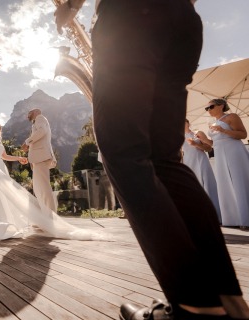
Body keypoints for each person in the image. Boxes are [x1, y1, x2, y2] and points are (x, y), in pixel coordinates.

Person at [55, 1, 249, 319]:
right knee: (165, 161)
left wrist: (71, 7)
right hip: (183, 19)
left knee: (122, 154)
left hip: (130, 17)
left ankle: (195, 306)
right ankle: (230, 302)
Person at [0, 122, 107, 241]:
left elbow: (5, 156)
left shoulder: (0, 142)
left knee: (0, 196)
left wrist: (19, 159)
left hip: (0, 168)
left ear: (0, 129)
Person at [198, 99, 249, 229]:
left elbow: (243, 134)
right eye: (207, 108)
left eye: (211, 107)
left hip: (234, 152)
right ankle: (232, 218)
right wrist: (204, 140)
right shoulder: (212, 123)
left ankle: (245, 219)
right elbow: (215, 144)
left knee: (238, 181)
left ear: (221, 106)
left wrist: (224, 130)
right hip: (220, 155)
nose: (208, 110)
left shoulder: (232, 116)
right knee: (224, 183)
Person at [182, 119, 221, 222]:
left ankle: (214, 214)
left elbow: (209, 148)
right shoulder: (178, 137)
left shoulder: (198, 133)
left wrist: (196, 144)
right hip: (188, 162)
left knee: (207, 184)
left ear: (188, 123)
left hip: (200, 160)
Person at [22, 108, 57, 212]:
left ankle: (51, 216)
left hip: (41, 158)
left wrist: (27, 142)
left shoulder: (40, 118)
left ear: (36, 112)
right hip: (38, 159)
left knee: (43, 188)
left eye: (30, 112)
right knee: (39, 189)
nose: (28, 114)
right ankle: (45, 215)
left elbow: (42, 131)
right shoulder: (36, 122)